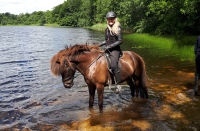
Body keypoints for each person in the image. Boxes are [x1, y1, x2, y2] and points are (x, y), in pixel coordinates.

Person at [99, 11, 122, 91]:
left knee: (113, 65)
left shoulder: (118, 28)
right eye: (109, 19)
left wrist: (109, 46)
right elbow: (106, 40)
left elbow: (120, 41)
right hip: (108, 49)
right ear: (107, 20)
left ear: (115, 19)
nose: (110, 20)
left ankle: (118, 84)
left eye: (112, 19)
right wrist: (98, 45)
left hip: (115, 50)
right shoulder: (106, 29)